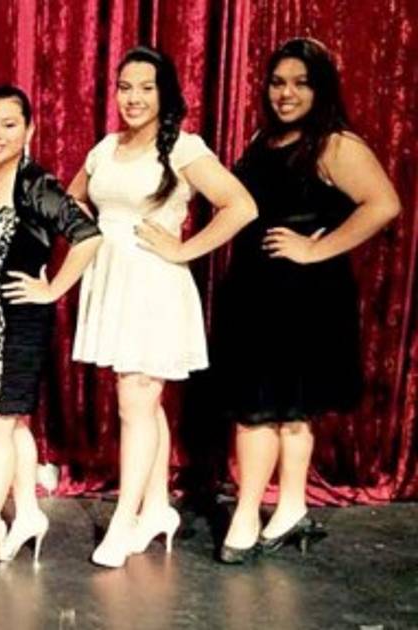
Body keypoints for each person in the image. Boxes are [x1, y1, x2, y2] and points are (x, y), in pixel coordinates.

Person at [68, 46, 257, 568]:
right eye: (125, 87)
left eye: (146, 88)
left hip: (154, 286)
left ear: (165, 94)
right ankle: (155, 509)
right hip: (113, 283)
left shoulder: (184, 148)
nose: (133, 98)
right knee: (142, 404)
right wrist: (92, 238)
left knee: (135, 401)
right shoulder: (106, 148)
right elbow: (72, 198)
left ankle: (124, 519)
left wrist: (184, 249)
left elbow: (241, 206)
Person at [214, 38, 400, 563]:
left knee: (273, 412)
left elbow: (384, 204)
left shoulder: (335, 144)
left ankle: (248, 514)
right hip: (256, 294)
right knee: (277, 411)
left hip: (304, 300)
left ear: (321, 88)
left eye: (300, 83)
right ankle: (290, 507)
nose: (286, 93)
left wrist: (316, 249)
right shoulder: (263, 138)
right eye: (277, 82)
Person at [0, 85, 102, 576]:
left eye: (8, 124)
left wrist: (53, 288)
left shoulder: (35, 183)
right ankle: (30, 514)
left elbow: (87, 236)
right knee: (11, 424)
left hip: (16, 322)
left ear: (29, 129)